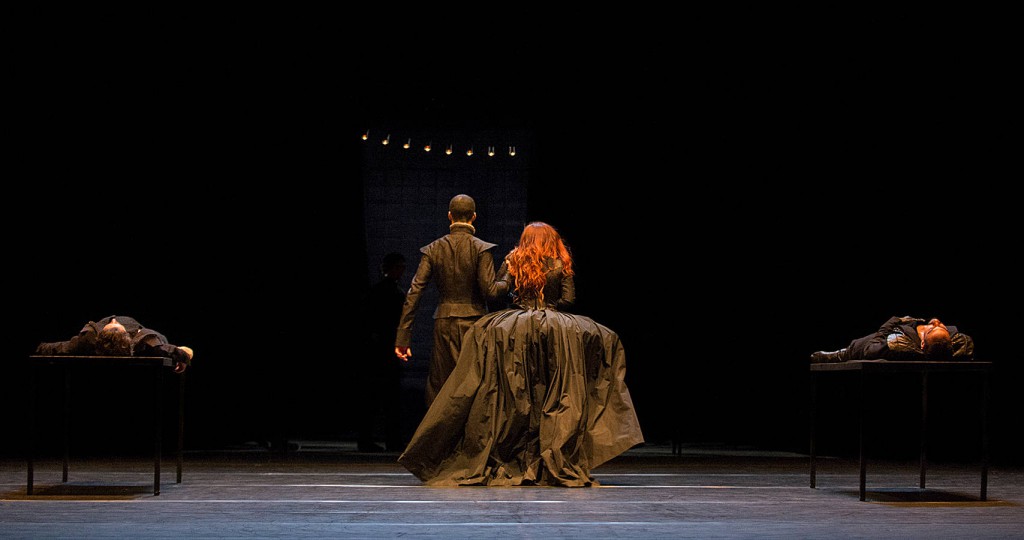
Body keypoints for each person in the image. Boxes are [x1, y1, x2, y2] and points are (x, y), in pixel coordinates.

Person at [397, 221, 645, 487]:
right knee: (555, 386)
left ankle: (507, 450)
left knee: (515, 391)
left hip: (516, 328)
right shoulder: (560, 262)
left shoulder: (514, 259)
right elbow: (568, 300)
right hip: (554, 328)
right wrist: (547, 309)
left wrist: (514, 290)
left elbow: (496, 292)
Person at [394, 194, 508, 406]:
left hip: (444, 323)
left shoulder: (434, 249)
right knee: (473, 384)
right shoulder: (481, 248)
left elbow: (414, 291)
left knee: (440, 387)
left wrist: (403, 337)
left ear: (449, 216)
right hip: (473, 323)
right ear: (474, 217)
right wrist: (506, 275)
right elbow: (491, 292)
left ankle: (437, 437)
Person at [355, 252, 408, 453]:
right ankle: (389, 440)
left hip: (377, 350)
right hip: (383, 350)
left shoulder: (377, 291)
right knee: (387, 397)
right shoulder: (392, 292)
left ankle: (371, 439)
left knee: (376, 397)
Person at [35, 314, 194, 373]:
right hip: (146, 339)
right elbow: (175, 351)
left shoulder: (88, 340)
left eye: (113, 323)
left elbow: (60, 348)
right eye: (115, 323)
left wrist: (40, 347)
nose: (113, 318)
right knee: (158, 342)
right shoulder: (144, 342)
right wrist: (182, 356)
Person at [810, 315, 975, 363]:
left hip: (863, 347)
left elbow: (872, 346)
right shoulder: (952, 342)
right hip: (895, 334)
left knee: (852, 350)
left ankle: (838, 355)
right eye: (942, 327)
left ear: (923, 343)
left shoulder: (898, 346)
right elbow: (965, 345)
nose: (937, 323)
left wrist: (895, 320)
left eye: (932, 329)